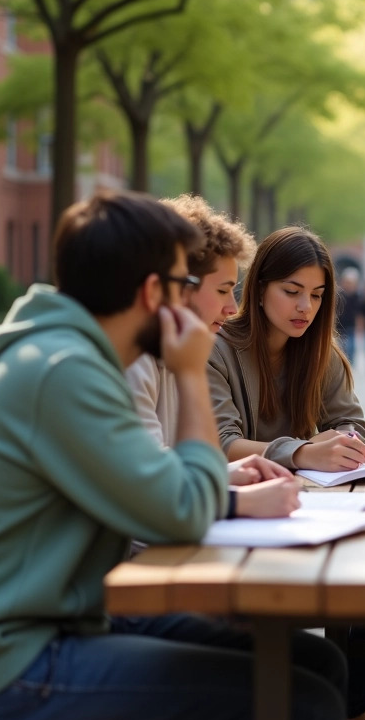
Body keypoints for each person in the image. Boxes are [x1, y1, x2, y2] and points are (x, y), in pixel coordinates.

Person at [0, 192, 347, 720]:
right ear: (155, 293)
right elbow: (177, 512)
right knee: (303, 707)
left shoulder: (74, 359)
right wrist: (190, 374)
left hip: (52, 626)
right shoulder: (65, 371)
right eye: (186, 285)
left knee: (313, 662)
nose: (219, 308)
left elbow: (168, 489)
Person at [206, 226, 365, 720]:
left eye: (318, 294)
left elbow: (355, 425)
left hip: (315, 507)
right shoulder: (218, 348)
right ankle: (318, 715)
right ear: (257, 288)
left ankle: (353, 716)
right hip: (247, 513)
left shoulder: (321, 353)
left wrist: (346, 443)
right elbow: (221, 442)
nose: (306, 306)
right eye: (292, 291)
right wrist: (302, 451)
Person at [126, 195, 296, 496]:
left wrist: (228, 474)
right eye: (222, 291)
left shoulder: (172, 353)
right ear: (177, 286)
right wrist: (237, 502)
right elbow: (155, 496)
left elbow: (174, 471)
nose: (232, 308)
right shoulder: (133, 365)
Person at [337, 268, 361, 366]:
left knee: (351, 345)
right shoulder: (339, 295)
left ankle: (350, 362)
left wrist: (360, 324)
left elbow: (359, 312)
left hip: (351, 324)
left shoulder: (357, 296)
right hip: (340, 324)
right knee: (342, 346)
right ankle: (343, 362)